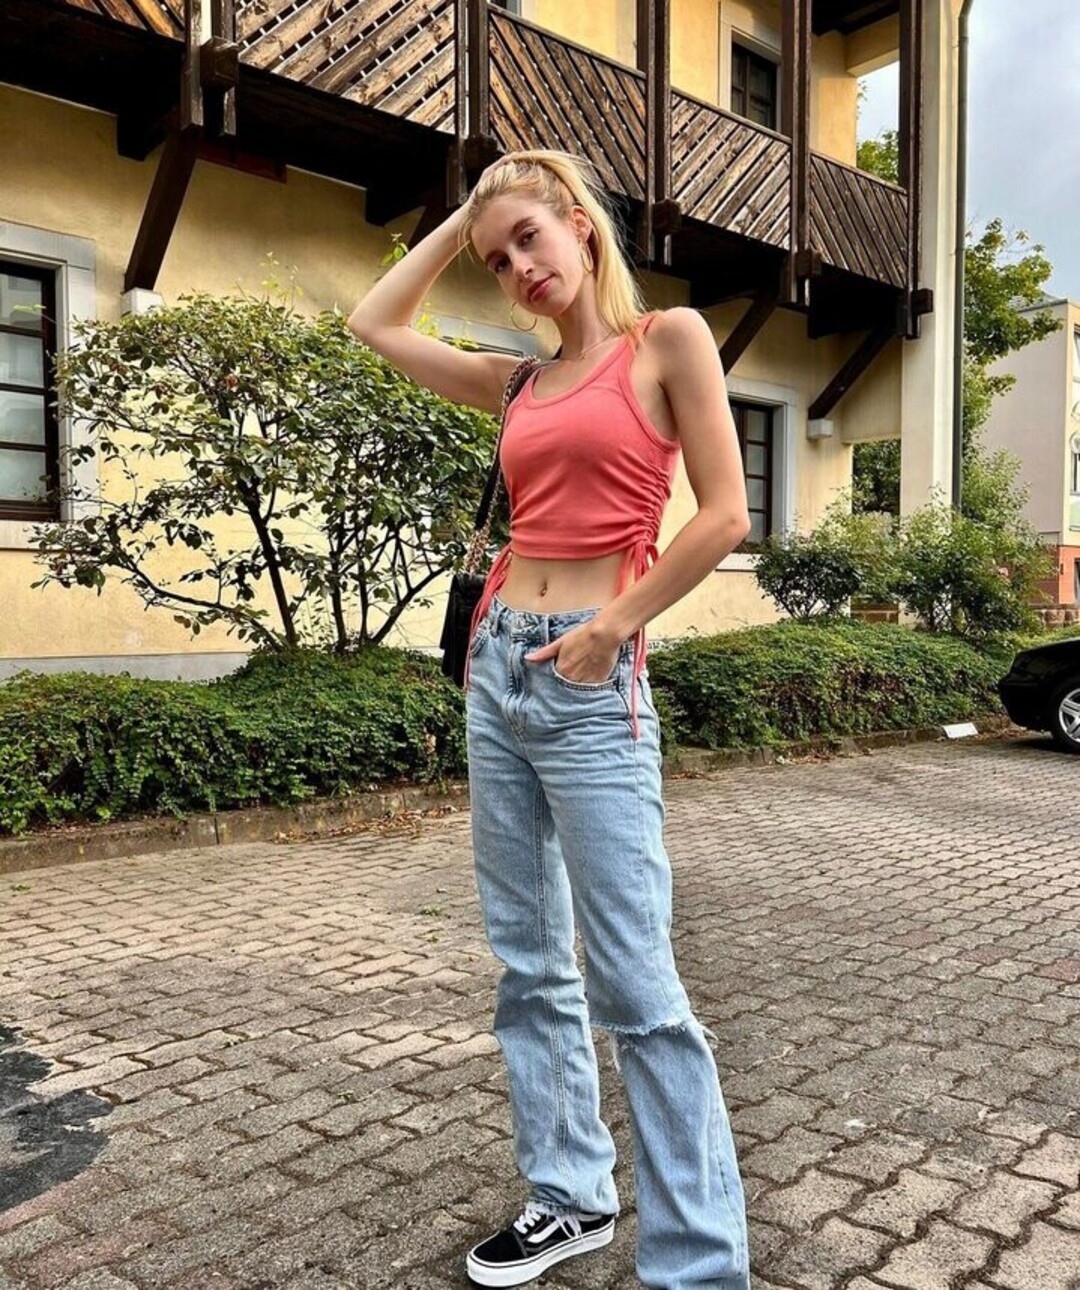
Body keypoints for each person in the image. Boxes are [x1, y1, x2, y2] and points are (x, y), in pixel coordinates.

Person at [348, 150, 752, 1290]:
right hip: (498, 671)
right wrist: (461, 219)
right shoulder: (519, 385)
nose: (518, 268)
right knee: (528, 964)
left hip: (588, 677)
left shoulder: (666, 341)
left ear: (579, 223)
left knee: (638, 987)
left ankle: (699, 1264)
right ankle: (570, 1198)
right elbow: (375, 324)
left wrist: (612, 627)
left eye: (529, 237)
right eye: (497, 260)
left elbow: (723, 516)